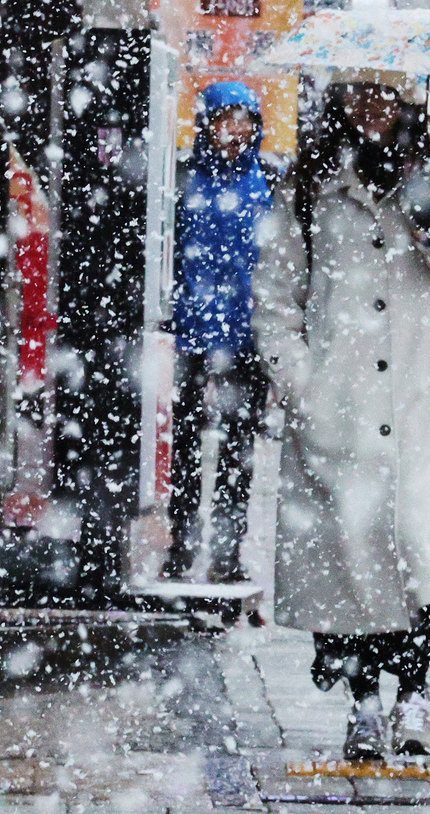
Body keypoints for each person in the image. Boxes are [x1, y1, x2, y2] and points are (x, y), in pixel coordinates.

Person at [252, 75, 430, 760]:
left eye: (386, 94)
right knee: (351, 557)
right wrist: (299, 379)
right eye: (359, 92)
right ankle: (364, 700)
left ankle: (414, 688)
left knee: (421, 541)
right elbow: (276, 295)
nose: (372, 105)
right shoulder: (310, 182)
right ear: (339, 98)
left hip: (428, 398)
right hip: (340, 403)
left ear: (409, 100)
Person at [163, 81, 275, 583]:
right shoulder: (184, 178)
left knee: (238, 448)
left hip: (246, 332)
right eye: (224, 121)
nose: (234, 132)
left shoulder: (269, 180)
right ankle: (182, 543)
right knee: (186, 443)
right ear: (206, 124)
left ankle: (229, 550)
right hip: (192, 329)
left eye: (244, 122)